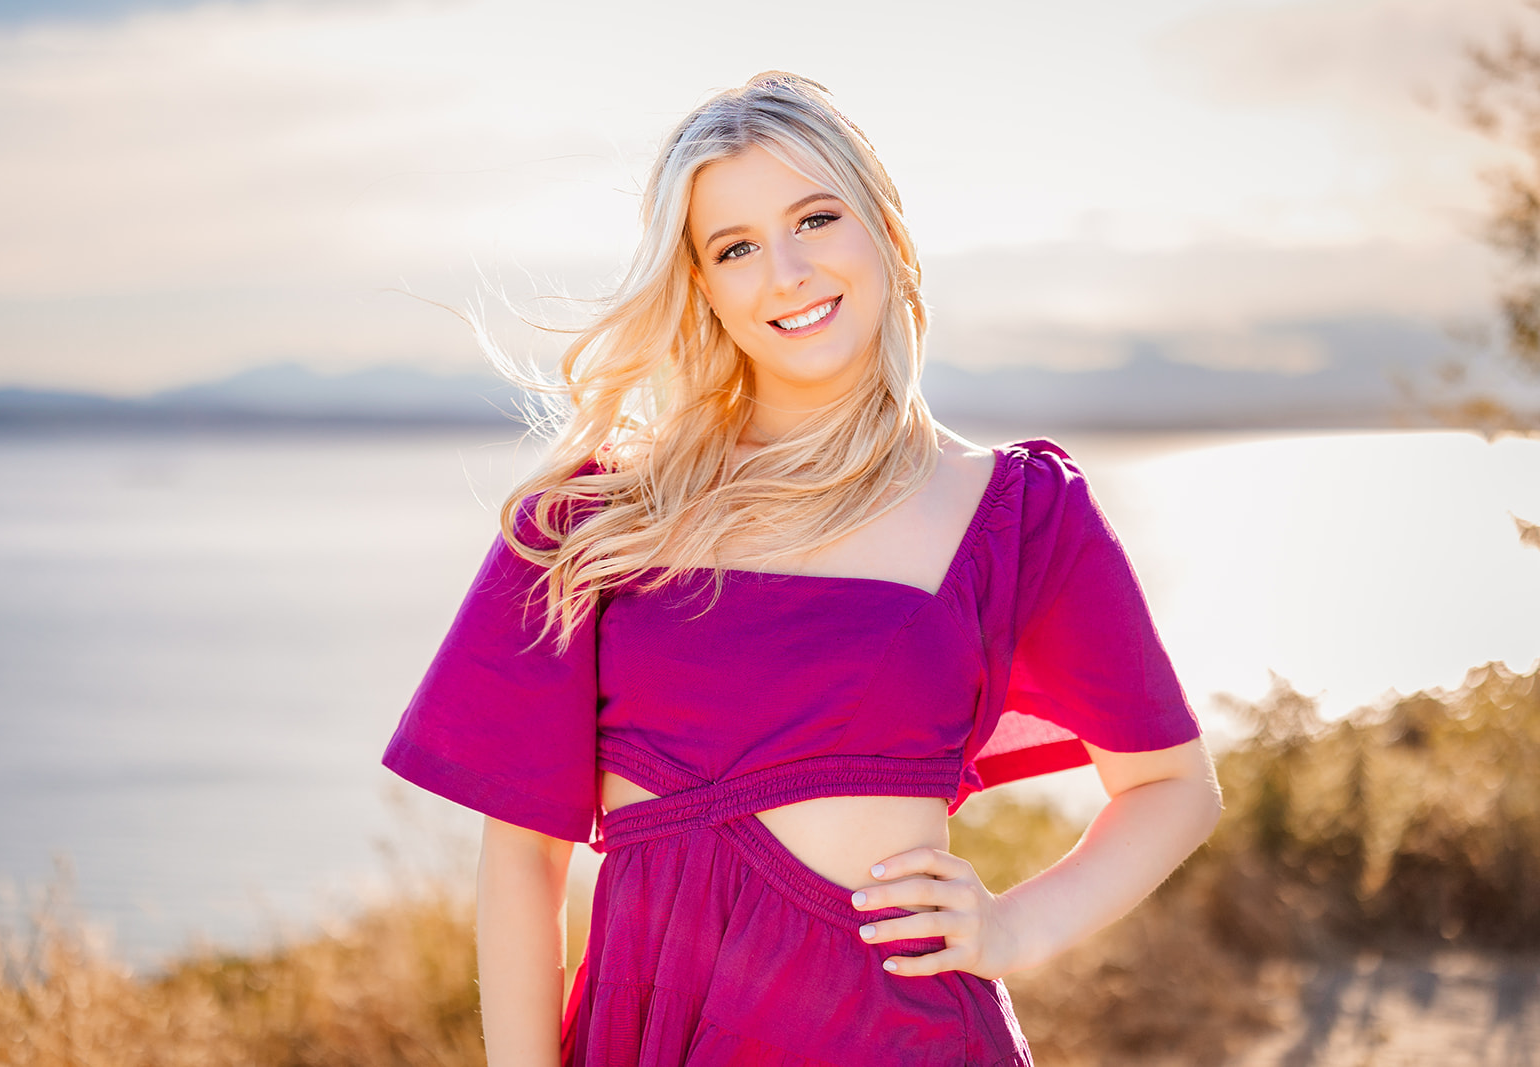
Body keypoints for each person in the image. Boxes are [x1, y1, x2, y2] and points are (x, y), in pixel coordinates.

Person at [382, 71, 1222, 1066]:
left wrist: (1015, 928)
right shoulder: (592, 521)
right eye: (735, 247)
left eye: (815, 219)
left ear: (885, 234)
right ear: (702, 286)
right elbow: (521, 857)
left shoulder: (1020, 512)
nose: (785, 270)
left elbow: (1174, 784)